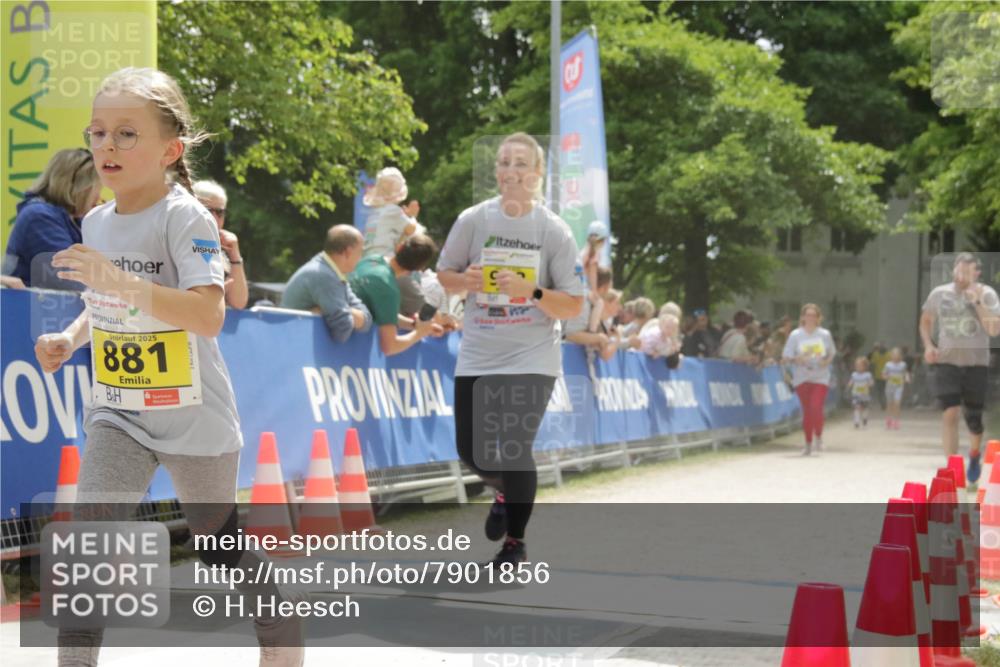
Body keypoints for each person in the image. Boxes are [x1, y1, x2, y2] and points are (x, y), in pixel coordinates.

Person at [33, 67, 304, 667]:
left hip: (193, 418)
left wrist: (119, 282)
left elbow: (208, 317)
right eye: (98, 132)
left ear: (169, 150)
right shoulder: (98, 220)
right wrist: (72, 337)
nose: (106, 146)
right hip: (119, 411)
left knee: (218, 546)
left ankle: (281, 633)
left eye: (126, 134)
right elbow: (101, 303)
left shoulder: (189, 219)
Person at [436, 132, 584, 567]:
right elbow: (445, 274)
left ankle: (515, 542)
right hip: (479, 351)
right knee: (472, 451)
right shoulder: (473, 220)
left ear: (537, 173)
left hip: (532, 356)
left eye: (521, 163)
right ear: (496, 171)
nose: (511, 171)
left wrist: (532, 290)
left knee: (516, 448)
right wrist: (469, 281)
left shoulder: (552, 230)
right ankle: (505, 489)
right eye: (504, 163)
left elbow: (573, 304)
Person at [920, 251, 1000, 482]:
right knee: (950, 412)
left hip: (976, 364)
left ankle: (974, 454)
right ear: (953, 269)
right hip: (947, 362)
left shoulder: (987, 294)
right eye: (958, 270)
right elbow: (926, 322)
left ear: (977, 273)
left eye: (967, 271)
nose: (961, 275)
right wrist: (928, 345)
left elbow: (994, 330)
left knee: (973, 420)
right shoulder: (939, 293)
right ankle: (952, 468)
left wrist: (976, 302)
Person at [4, 148, 101, 289]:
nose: (98, 197)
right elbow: (70, 278)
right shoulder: (39, 216)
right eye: (95, 189)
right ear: (79, 188)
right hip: (29, 307)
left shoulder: (73, 219)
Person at [350, 233, 443, 356]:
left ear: (399, 247)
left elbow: (383, 312)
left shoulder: (370, 259)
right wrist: (419, 333)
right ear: (419, 269)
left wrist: (414, 325)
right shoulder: (389, 290)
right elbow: (390, 347)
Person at [280, 225, 372, 342]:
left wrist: (340, 310)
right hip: (293, 345)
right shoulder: (324, 275)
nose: (361, 258)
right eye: (360, 252)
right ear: (348, 252)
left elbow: (367, 319)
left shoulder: (332, 272)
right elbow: (342, 331)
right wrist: (345, 312)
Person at [782, 303, 837, 456]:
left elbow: (832, 352)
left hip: (820, 376)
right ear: (803, 317)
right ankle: (807, 443)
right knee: (807, 410)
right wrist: (795, 359)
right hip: (802, 377)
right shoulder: (796, 335)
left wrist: (827, 361)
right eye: (808, 315)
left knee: (815, 406)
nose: (810, 318)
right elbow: (786, 356)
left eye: (814, 315)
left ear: (818, 318)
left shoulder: (824, 334)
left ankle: (818, 436)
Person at [192, 180, 248, 309]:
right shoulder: (176, 240)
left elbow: (238, 303)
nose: (214, 217)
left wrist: (235, 255)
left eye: (220, 212)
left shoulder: (223, 246)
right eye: (207, 210)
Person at [882, 347, 911, 430]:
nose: (895, 356)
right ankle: (889, 419)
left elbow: (905, 373)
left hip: (899, 386)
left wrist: (907, 378)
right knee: (890, 404)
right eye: (894, 354)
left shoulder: (903, 364)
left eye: (897, 354)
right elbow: (884, 374)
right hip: (889, 387)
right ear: (891, 356)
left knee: (897, 403)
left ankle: (896, 421)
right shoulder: (888, 364)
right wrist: (886, 376)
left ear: (900, 356)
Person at [847, 356, 875, 429]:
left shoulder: (868, 375)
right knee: (857, 407)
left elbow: (871, 382)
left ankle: (865, 418)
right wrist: (849, 384)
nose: (858, 367)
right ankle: (856, 421)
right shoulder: (854, 374)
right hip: (856, 394)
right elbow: (851, 381)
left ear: (865, 366)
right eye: (856, 365)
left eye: (860, 365)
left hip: (865, 395)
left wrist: (869, 384)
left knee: (864, 408)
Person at [869, 342, 889, 411]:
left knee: (880, 391)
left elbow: (872, 364)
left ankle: (883, 403)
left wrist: (871, 372)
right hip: (886, 376)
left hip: (878, 375)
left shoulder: (875, 354)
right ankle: (885, 403)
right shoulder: (889, 354)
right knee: (885, 390)